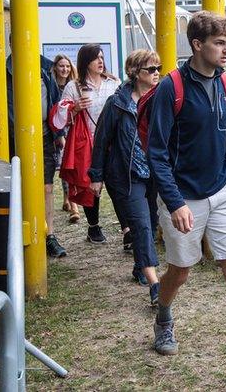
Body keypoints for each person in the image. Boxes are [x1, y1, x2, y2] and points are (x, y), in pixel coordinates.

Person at [147, 11, 226, 391]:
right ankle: (164, 316)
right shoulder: (171, 87)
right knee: (181, 270)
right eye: (219, 43)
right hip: (182, 197)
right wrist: (174, 203)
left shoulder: (224, 83)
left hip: (223, 190)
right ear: (197, 45)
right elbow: (156, 152)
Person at [89, 49, 162, 306]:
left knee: (151, 224)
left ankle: (140, 266)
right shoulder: (117, 103)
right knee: (141, 225)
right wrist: (96, 175)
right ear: (135, 72)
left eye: (158, 69)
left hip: (154, 174)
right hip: (126, 175)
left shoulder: (160, 99)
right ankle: (155, 285)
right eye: (150, 69)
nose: (156, 74)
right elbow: (102, 140)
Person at [58, 44, 120, 244]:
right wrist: (75, 109)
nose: (101, 62)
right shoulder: (73, 87)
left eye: (102, 57)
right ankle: (93, 227)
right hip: (88, 143)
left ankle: (127, 228)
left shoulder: (113, 82)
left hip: (113, 141)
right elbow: (61, 118)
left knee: (118, 184)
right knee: (91, 186)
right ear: (86, 62)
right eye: (96, 58)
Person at [7, 51, 65, 257]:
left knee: (46, 187)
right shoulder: (4, 73)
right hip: (15, 138)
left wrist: (58, 132)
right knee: (18, 188)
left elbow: (55, 102)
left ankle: (49, 235)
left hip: (44, 135)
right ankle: (19, 234)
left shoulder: (44, 71)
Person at [51, 54, 81, 224]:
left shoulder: (74, 86)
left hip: (73, 130)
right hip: (57, 131)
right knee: (64, 166)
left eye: (68, 66)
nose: (65, 69)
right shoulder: (52, 86)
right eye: (61, 66)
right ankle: (70, 202)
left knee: (69, 166)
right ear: (55, 67)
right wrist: (58, 134)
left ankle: (70, 201)